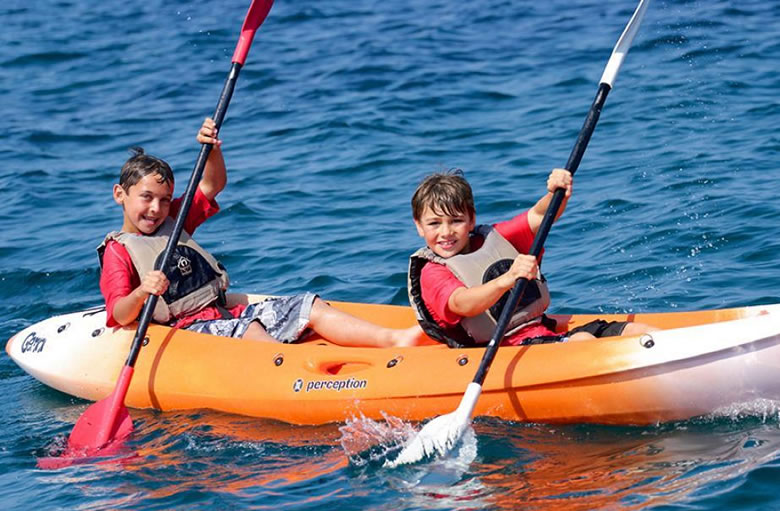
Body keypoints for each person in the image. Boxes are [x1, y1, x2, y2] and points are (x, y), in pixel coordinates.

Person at [98, 117, 423, 347]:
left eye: (165, 199)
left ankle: (392, 340)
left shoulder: (176, 220)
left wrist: (212, 149)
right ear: (120, 194)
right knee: (250, 329)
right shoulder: (119, 251)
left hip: (227, 314)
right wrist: (143, 292)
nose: (156, 208)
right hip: (190, 332)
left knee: (308, 305)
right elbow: (118, 315)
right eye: (146, 198)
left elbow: (212, 185)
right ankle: (293, 372)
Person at [407, 168, 658, 348]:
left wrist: (558, 192)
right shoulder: (433, 271)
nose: (446, 232)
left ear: (471, 219)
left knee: (639, 331)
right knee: (583, 342)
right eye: (434, 223)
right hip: (502, 351)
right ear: (419, 226)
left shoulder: (495, 238)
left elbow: (541, 216)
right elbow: (461, 304)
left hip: (541, 330)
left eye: (456, 221)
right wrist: (508, 279)